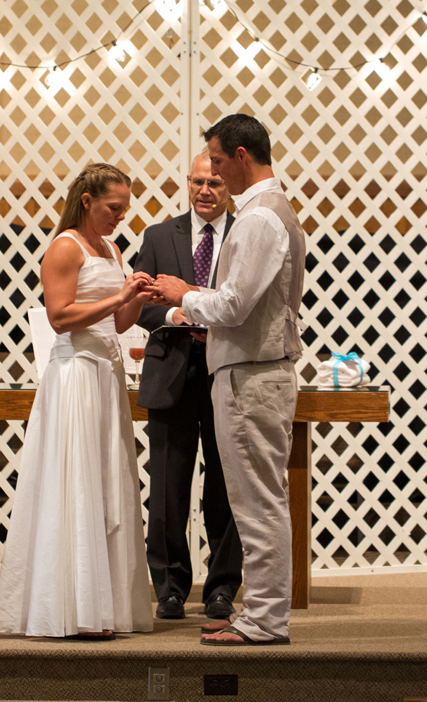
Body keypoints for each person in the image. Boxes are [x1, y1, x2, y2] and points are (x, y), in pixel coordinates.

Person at [154, 114, 305, 646]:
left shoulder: (261, 218)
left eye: (217, 162)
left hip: (251, 378)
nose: (211, 174)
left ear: (242, 156)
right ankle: (261, 614)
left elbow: (235, 304)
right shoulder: (269, 211)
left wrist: (182, 295)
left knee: (257, 502)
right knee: (256, 499)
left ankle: (265, 619)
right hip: (252, 369)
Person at [0, 163, 155, 640]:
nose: (120, 217)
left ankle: (105, 605)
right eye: (113, 208)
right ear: (87, 201)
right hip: (75, 375)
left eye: (125, 209)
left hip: (106, 374)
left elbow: (120, 324)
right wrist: (119, 295)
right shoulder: (65, 246)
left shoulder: (111, 248)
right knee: (75, 481)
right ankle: (68, 605)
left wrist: (137, 296)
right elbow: (61, 316)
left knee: (106, 480)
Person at [134, 152, 243, 621]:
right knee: (167, 489)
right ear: (187, 183)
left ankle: (221, 588)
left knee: (225, 487)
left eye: (214, 183)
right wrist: (176, 314)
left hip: (228, 372)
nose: (205, 190)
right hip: (171, 371)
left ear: (228, 187)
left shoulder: (247, 233)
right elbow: (140, 305)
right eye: (198, 181)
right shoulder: (159, 236)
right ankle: (171, 587)